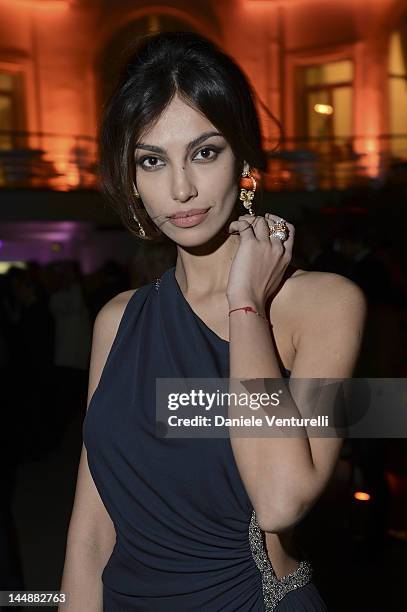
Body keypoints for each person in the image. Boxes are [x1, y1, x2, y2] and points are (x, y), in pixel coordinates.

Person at [59, 31, 367, 611]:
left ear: (244, 160)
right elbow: (91, 533)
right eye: (152, 160)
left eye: (204, 152)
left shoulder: (325, 305)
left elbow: (280, 500)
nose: (180, 188)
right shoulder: (117, 321)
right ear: (132, 180)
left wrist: (245, 304)